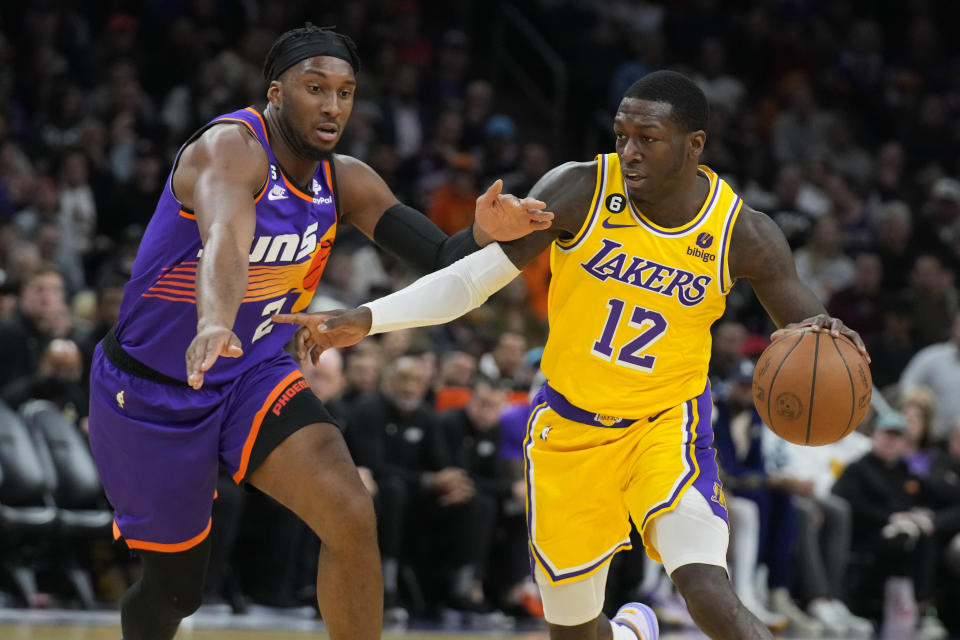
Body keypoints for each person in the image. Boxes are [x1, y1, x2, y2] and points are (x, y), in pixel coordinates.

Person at [278, 70, 869, 640]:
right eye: (622, 136)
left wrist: (844, 353)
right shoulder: (581, 188)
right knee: (574, 632)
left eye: (648, 139)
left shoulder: (743, 232)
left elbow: (814, 332)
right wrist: (368, 317)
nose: (629, 151)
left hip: (666, 429)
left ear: (695, 145)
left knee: (705, 589)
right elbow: (469, 283)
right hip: (567, 431)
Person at [86, 24, 551, 640]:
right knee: (176, 591)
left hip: (251, 373)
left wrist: (487, 234)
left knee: (351, 512)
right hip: (151, 389)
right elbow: (225, 238)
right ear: (276, 94)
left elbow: (441, 256)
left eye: (346, 92)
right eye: (315, 89)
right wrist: (215, 321)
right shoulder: (229, 149)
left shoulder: (347, 180)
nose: (333, 106)